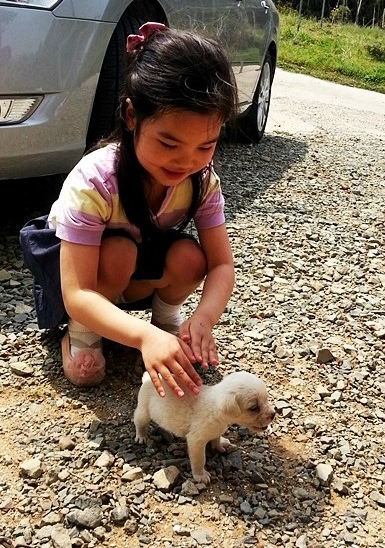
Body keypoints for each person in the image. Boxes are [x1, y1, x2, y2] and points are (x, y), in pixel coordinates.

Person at [25, 22, 237, 397]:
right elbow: (77, 291)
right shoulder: (96, 180)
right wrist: (143, 337)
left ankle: (167, 321)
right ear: (131, 117)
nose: (186, 161)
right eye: (168, 143)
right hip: (82, 274)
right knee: (119, 251)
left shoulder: (202, 180)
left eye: (205, 146)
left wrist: (202, 319)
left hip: (136, 263)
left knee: (191, 257)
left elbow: (221, 263)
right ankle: (83, 331)